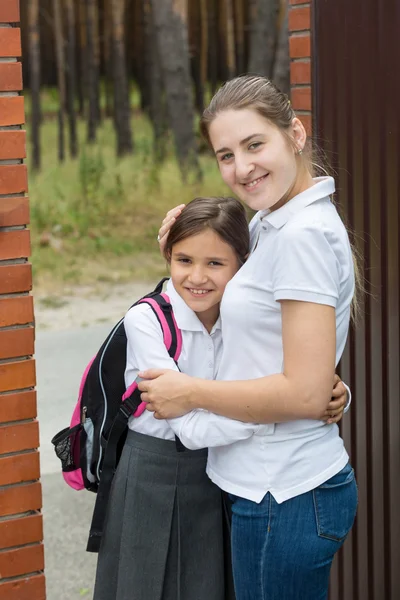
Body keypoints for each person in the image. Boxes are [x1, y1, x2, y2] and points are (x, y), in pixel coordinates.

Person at [138, 75, 358, 600]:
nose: (242, 167)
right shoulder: (271, 222)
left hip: (284, 491)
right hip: (271, 486)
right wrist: (182, 243)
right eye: (225, 154)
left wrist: (189, 392)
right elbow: (262, 330)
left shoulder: (300, 235)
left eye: (255, 144)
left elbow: (304, 395)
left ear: (295, 135)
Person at [93, 194, 348, 600]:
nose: (197, 277)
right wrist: (288, 407)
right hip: (154, 471)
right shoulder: (147, 320)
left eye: (215, 263)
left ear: (242, 266)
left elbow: (295, 374)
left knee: (209, 584)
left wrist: (326, 392)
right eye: (184, 260)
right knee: (147, 583)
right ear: (168, 257)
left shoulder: (241, 318)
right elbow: (191, 430)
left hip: (219, 473)